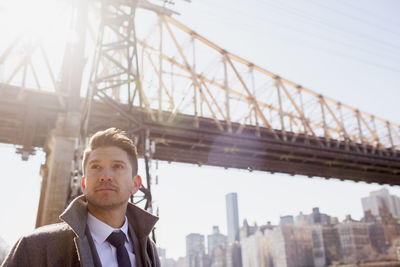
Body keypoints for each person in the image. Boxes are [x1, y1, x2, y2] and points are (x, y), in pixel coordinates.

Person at [2, 128, 160, 267]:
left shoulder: (148, 250)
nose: (105, 176)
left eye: (117, 166)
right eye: (96, 166)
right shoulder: (34, 247)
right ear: (84, 184)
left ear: (135, 184)